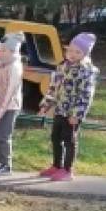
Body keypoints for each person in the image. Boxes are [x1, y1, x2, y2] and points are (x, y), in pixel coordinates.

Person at [38, 32, 98, 182]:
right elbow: (53, 87)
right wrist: (45, 105)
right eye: (70, 50)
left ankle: (67, 170)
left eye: (78, 52)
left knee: (69, 140)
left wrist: (77, 115)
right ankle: (56, 166)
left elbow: (86, 95)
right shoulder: (62, 66)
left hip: (72, 113)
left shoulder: (86, 71)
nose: (72, 54)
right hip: (60, 110)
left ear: (85, 54)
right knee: (55, 137)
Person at [0, 32, 24, 176]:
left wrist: (2, 109)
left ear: (13, 51)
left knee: (3, 135)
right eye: (0, 50)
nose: (1, 53)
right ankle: (0, 161)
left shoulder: (15, 66)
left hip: (10, 106)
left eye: (4, 50)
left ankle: (6, 165)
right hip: (1, 105)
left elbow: (11, 89)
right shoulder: (4, 64)